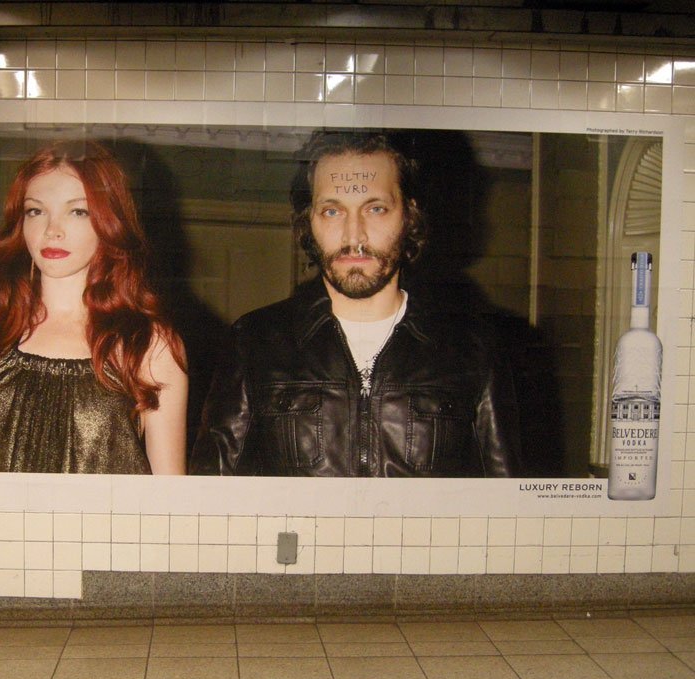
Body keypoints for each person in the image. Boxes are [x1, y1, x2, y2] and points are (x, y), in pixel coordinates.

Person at [190, 129, 521, 477]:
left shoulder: (473, 346)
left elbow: (507, 498)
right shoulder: (254, 341)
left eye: (375, 209)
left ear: (409, 216)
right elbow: (211, 492)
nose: (354, 236)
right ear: (309, 221)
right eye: (333, 211)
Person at [0, 140, 187, 474]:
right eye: (36, 211)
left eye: (78, 211)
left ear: (109, 220)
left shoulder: (149, 343)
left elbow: (168, 494)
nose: (52, 231)